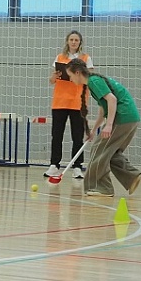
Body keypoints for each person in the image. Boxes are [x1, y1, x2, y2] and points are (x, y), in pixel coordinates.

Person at [65, 58, 141, 197]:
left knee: (98, 150)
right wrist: (93, 131)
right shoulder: (94, 82)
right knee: (110, 152)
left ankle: (102, 187)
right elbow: (102, 110)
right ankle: (132, 177)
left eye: (70, 76)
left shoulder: (94, 81)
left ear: (77, 73)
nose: (70, 80)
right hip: (130, 118)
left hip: (123, 118)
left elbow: (112, 100)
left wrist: (109, 125)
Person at [46, 30, 93, 179]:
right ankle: (54, 165)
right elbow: (52, 80)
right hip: (60, 101)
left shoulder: (85, 58)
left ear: (80, 43)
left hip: (78, 102)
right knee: (57, 134)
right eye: (71, 39)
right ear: (67, 41)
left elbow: (90, 78)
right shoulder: (60, 57)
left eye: (76, 40)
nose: (73, 42)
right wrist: (53, 77)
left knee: (77, 135)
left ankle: (77, 166)